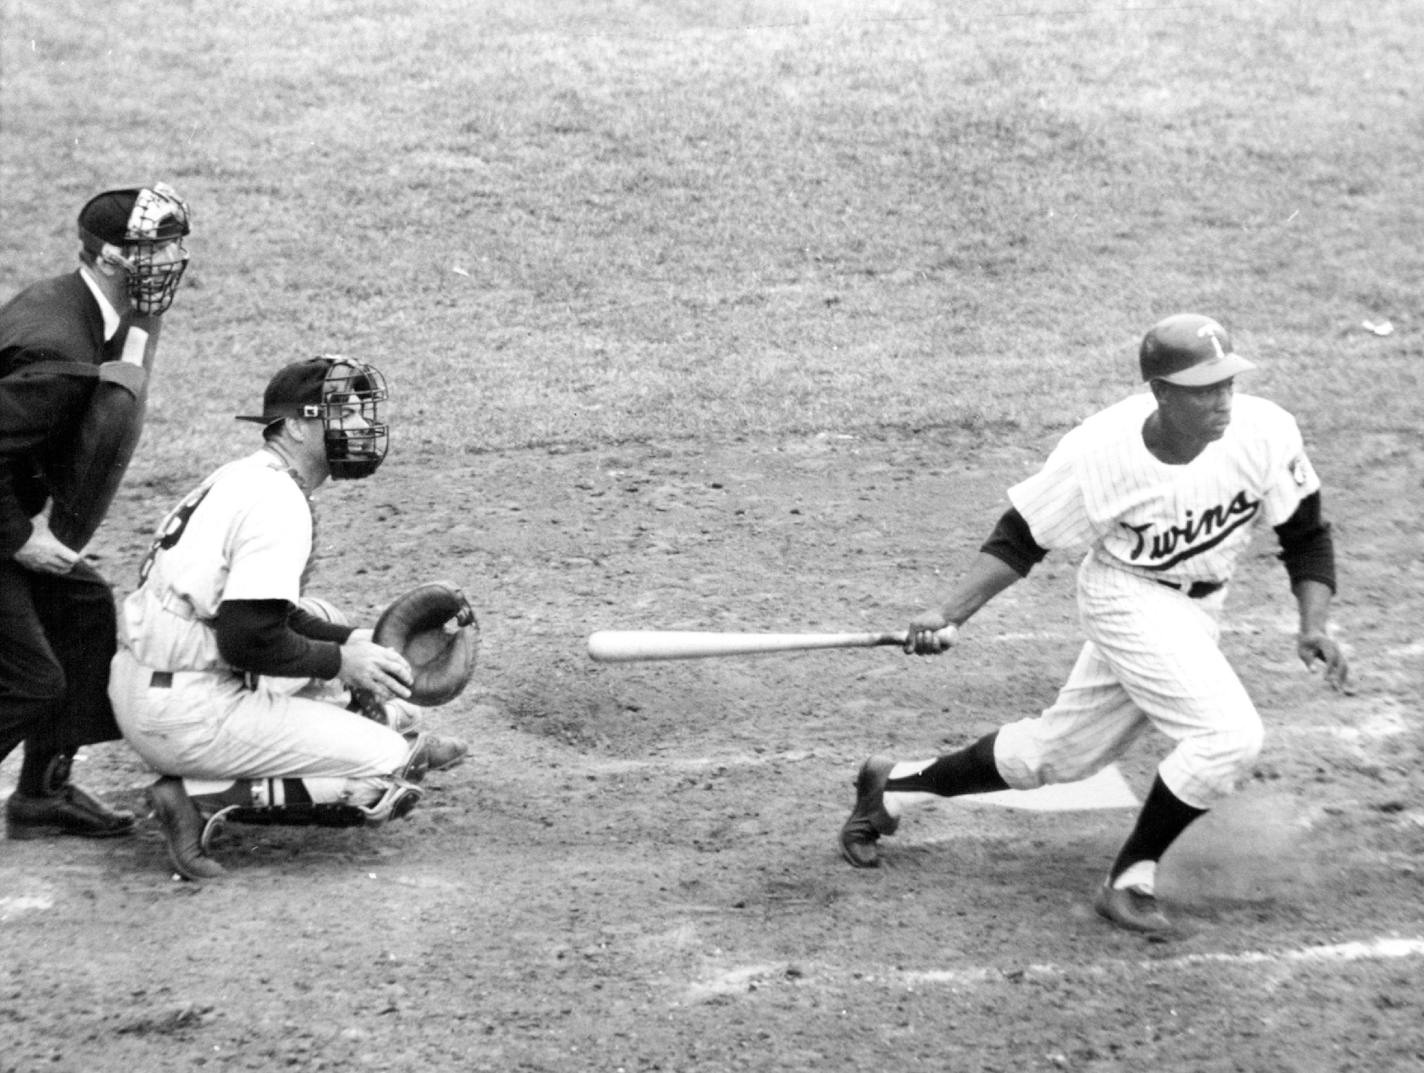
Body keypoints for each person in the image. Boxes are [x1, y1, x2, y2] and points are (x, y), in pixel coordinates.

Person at [838, 313, 1349, 937]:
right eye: (1204, 388)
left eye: (1228, 383)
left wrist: (1312, 624)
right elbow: (1020, 540)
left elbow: (1306, 535)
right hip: (1126, 597)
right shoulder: (1098, 454)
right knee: (1228, 737)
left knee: (1059, 754)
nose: (1223, 401)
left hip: (1199, 608)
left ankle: (889, 788)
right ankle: (1130, 880)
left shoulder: (1266, 432)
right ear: (1161, 393)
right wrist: (949, 613)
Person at [108, 356, 469, 880]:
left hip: (156, 679)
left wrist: (356, 641)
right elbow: (247, 639)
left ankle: (374, 719)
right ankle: (192, 796)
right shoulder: (277, 502)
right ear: (297, 426)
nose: (361, 427)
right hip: (186, 711)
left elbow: (263, 616)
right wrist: (342, 660)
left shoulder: (248, 476)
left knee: (323, 617)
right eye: (343, 413)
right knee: (388, 772)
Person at [1, 183, 192, 840]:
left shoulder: (88, 312)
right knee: (31, 680)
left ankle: (40, 793)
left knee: (82, 613)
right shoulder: (58, 348)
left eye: (173, 243)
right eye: (154, 246)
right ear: (110, 256)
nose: (171, 257)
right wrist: (20, 536)